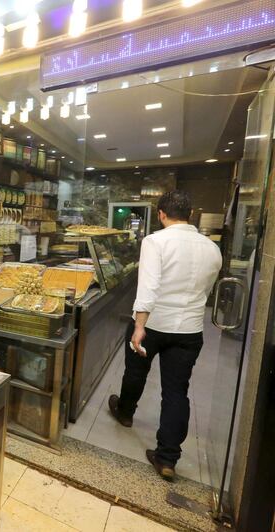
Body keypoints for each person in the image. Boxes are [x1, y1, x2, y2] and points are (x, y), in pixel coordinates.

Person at [108, 190, 221, 481]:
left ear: (161, 214)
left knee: (135, 373)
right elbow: (206, 290)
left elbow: (148, 286)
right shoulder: (212, 248)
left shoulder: (155, 241)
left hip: (154, 324)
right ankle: (167, 457)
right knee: (176, 392)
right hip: (189, 329)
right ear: (190, 214)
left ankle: (125, 412)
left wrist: (139, 326)